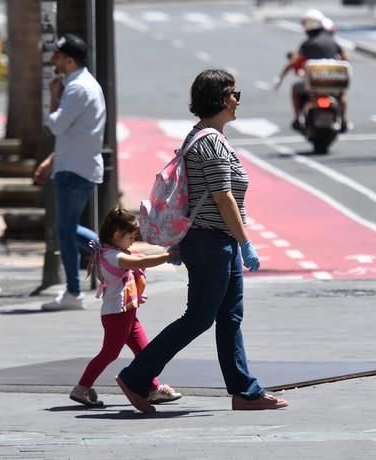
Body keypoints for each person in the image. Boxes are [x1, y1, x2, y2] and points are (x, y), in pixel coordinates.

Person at [115, 69, 289, 413]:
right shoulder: (209, 141)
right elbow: (223, 196)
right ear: (222, 98)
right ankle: (136, 377)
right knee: (198, 317)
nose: (238, 101)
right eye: (235, 94)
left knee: (230, 318)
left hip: (217, 241)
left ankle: (244, 390)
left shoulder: (210, 137)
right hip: (211, 242)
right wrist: (244, 241)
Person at [69, 207, 182, 407]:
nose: (133, 241)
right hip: (117, 314)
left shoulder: (113, 251)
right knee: (109, 353)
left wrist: (167, 249)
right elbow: (144, 260)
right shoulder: (115, 257)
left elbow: (143, 254)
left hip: (127, 312)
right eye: (131, 237)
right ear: (117, 235)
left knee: (146, 352)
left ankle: (154, 389)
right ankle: (82, 388)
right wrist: (169, 256)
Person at [34, 34, 106, 312]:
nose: (55, 60)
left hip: (74, 168)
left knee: (65, 229)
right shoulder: (86, 86)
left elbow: (56, 125)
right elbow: (75, 133)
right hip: (77, 164)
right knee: (67, 229)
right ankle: (112, 260)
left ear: (70, 60)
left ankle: (76, 289)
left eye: (59, 56)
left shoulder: (77, 89)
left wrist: (52, 98)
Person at [274, 9, 350, 132]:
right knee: (342, 94)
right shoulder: (333, 41)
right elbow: (346, 59)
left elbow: (294, 62)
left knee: (295, 89)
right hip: (333, 85)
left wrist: (280, 78)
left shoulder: (308, 44)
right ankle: (343, 119)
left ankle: (297, 119)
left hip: (313, 86)